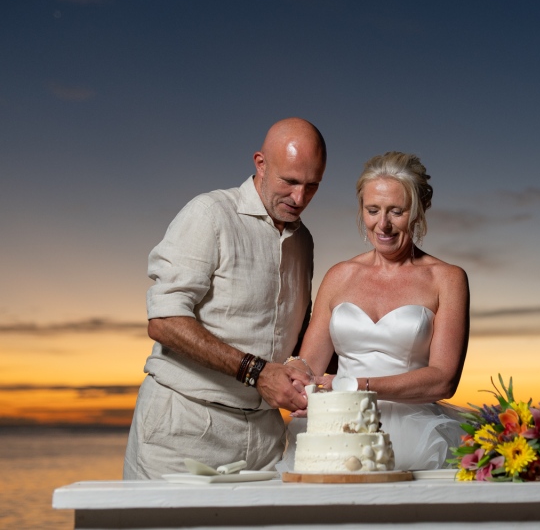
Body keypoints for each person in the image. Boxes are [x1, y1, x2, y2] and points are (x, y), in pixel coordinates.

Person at [123, 117, 326, 479]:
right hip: (184, 426)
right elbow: (164, 321)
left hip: (265, 435)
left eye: (312, 186)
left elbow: (294, 336)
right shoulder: (209, 214)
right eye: (290, 182)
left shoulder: (304, 241)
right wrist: (256, 371)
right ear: (260, 163)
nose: (300, 198)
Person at [284, 151, 470, 471]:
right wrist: (299, 384)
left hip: (415, 434)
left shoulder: (448, 279)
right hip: (338, 432)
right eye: (372, 210)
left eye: (396, 211)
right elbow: (310, 367)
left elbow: (443, 380)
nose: (382, 224)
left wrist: (357, 386)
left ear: (419, 210)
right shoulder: (339, 276)